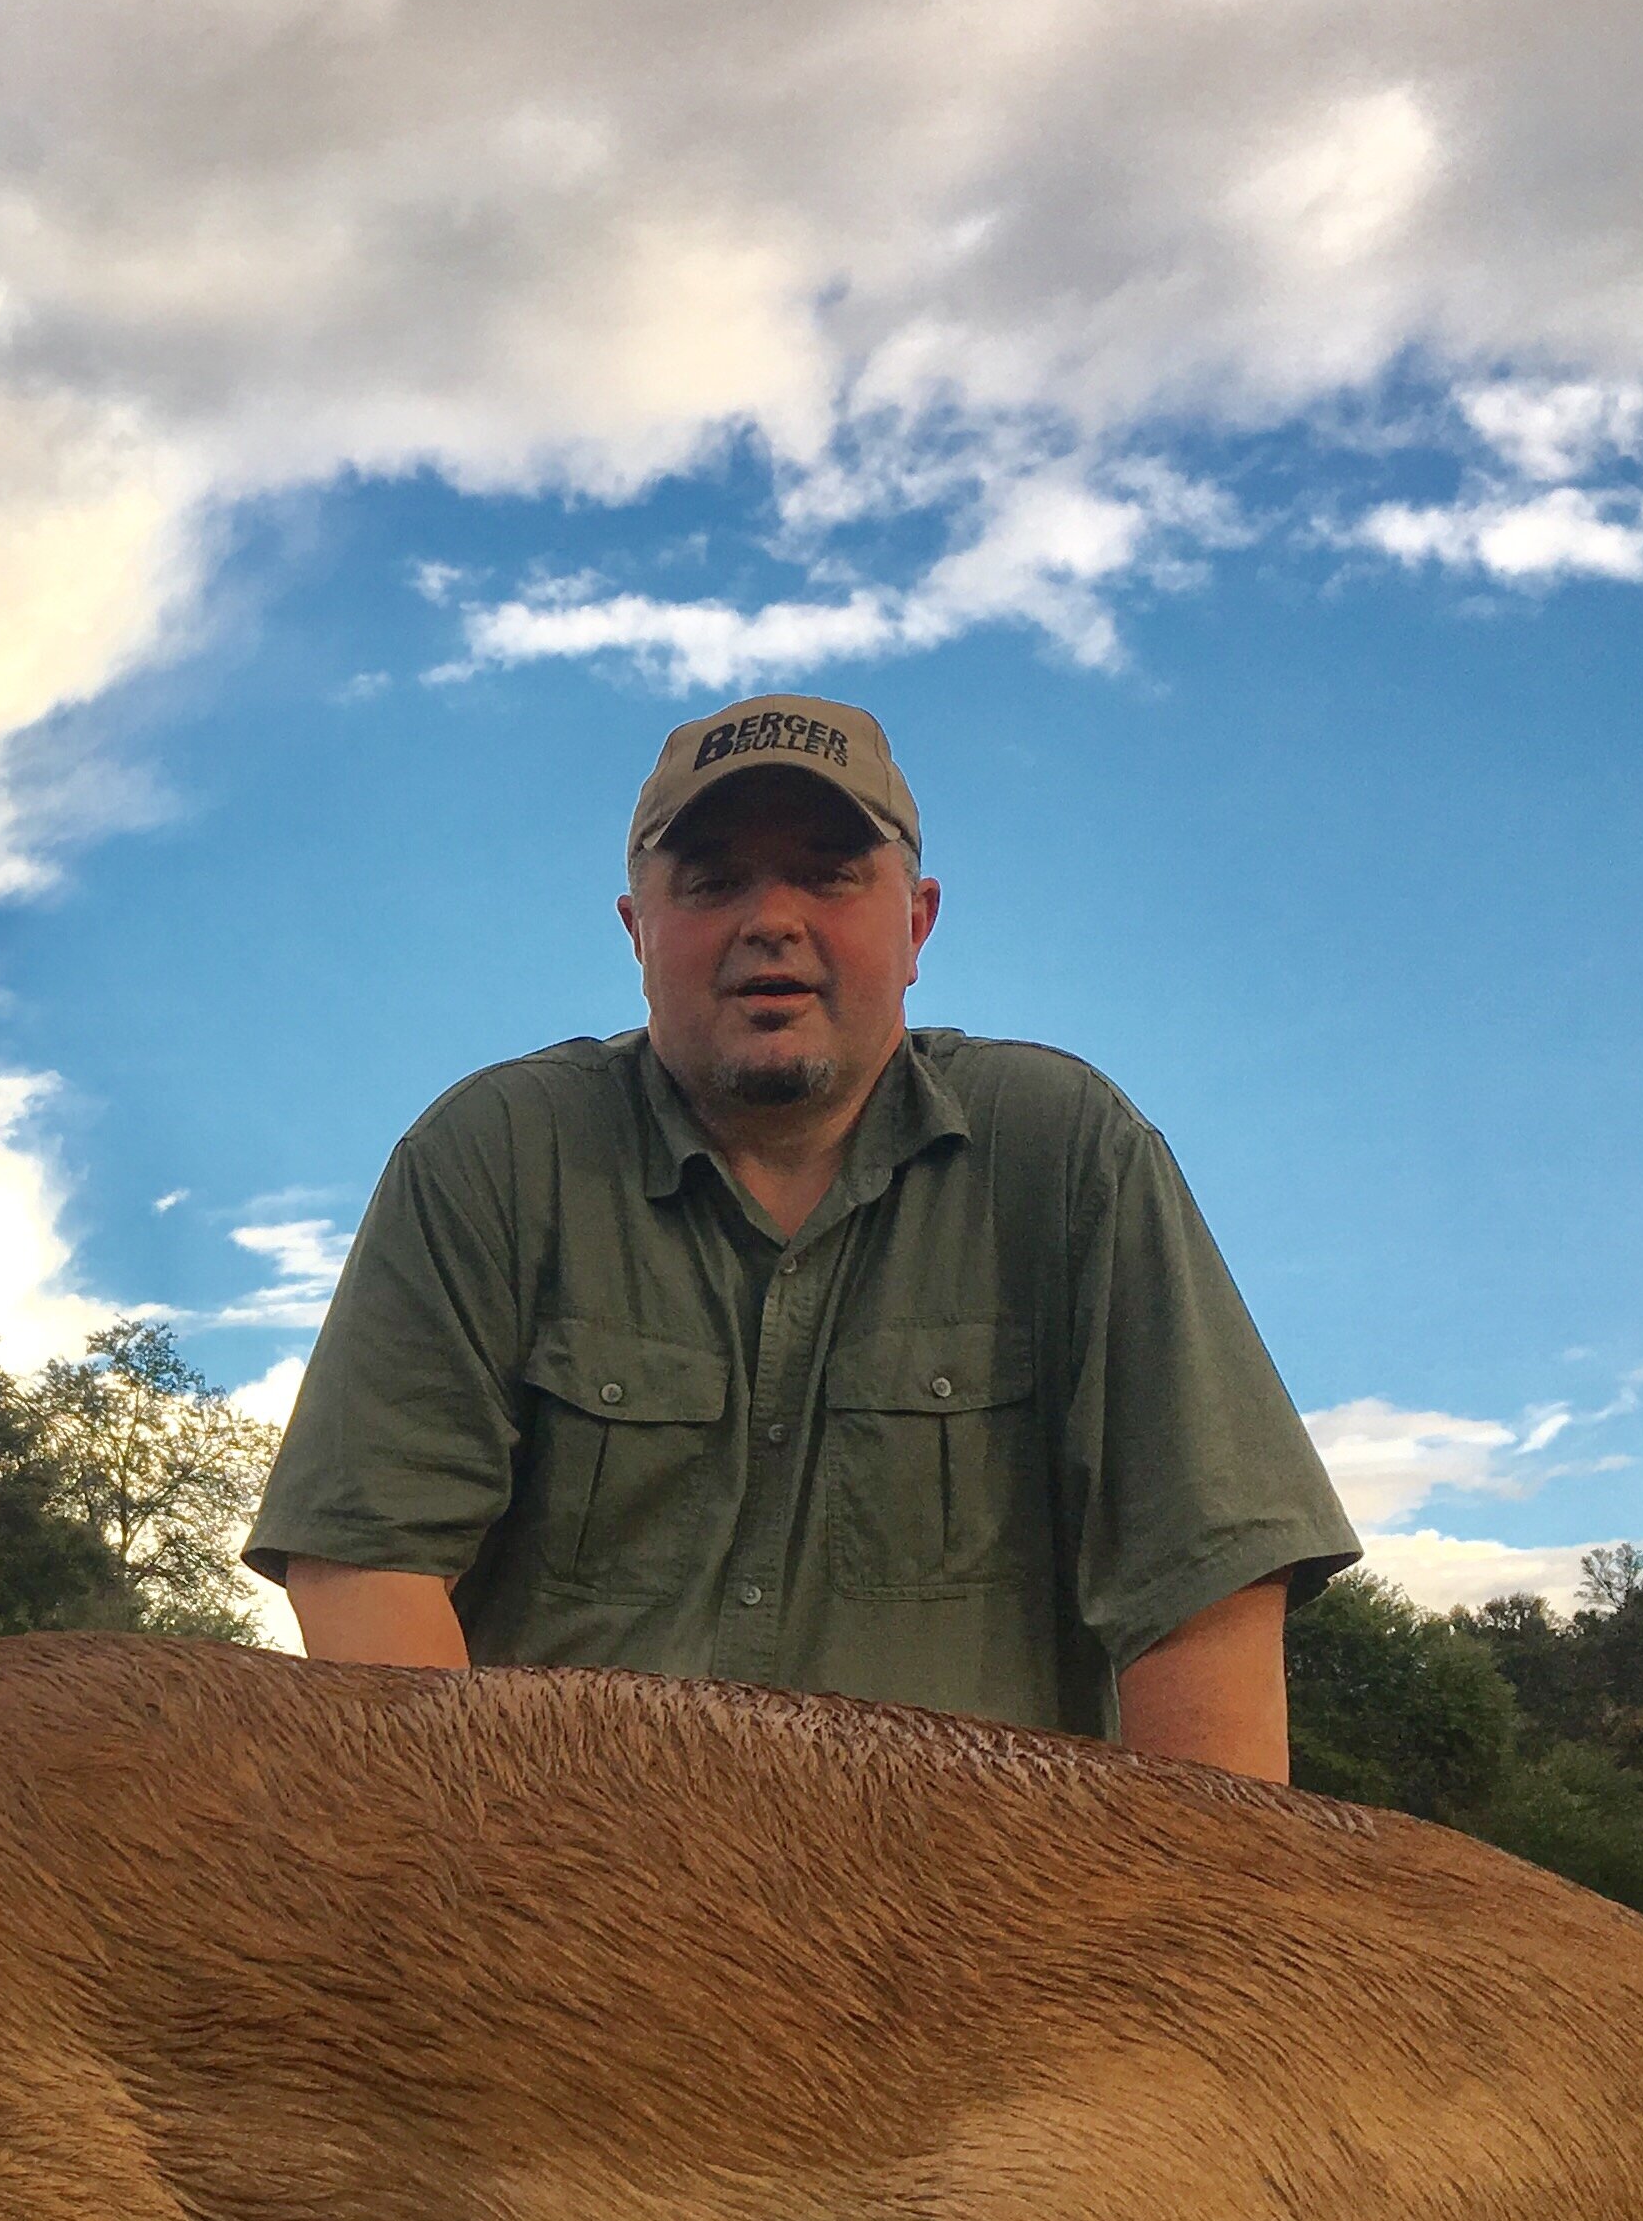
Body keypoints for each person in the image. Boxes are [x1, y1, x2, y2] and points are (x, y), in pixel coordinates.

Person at [244, 691, 1357, 1778]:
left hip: (978, 1927)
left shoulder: (1071, 1153)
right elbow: (366, 1564)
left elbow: (1204, 1597)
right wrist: (505, 1898)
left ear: (916, 924)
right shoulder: (489, 1155)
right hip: (564, 1907)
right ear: (638, 931)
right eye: (713, 881)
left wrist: (1189, 1941)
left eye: (829, 875)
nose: (771, 920)